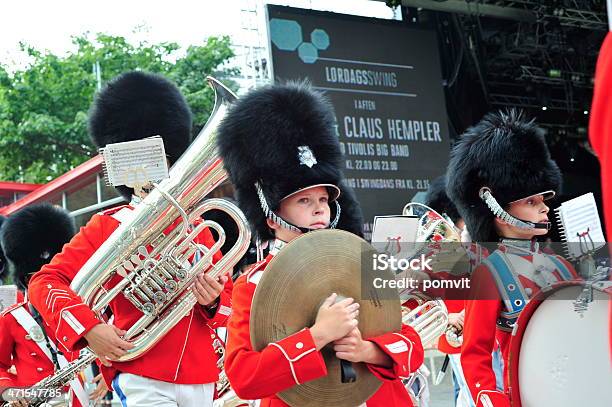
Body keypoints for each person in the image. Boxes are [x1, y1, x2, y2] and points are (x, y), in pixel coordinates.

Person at [28, 72, 231, 407]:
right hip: (140, 370)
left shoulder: (200, 228)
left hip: (202, 375)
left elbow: (230, 304)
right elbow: (45, 282)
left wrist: (212, 301)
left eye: (159, 160)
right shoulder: (106, 227)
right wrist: (90, 329)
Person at [217, 82, 424, 406]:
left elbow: (412, 345)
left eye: (323, 199)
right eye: (303, 200)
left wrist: (368, 350)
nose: (319, 209)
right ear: (271, 216)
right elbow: (244, 378)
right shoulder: (253, 284)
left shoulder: (360, 263)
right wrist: (317, 336)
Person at [446, 110, 579, 407]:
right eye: (531, 201)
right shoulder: (489, 273)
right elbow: (475, 352)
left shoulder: (561, 264)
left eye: (543, 200)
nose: (544, 208)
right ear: (496, 208)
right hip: (524, 394)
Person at [0, 203, 85, 406]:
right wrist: (9, 392)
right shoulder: (13, 317)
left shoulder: (79, 310)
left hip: (78, 399)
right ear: (26, 279)